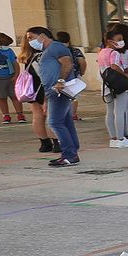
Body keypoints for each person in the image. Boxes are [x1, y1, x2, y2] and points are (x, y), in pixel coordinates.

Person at [25, 27, 79, 166]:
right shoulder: (46, 51)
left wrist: (60, 81)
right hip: (53, 91)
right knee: (65, 122)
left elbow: (67, 63)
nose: (29, 41)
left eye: (31, 37)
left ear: (42, 36)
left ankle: (69, 154)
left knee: (55, 122)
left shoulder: (55, 47)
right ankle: (72, 152)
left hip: (58, 90)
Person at [97, 27, 128, 149]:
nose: (121, 42)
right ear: (110, 41)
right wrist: (125, 75)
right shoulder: (114, 53)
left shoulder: (101, 52)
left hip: (106, 84)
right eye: (118, 39)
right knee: (119, 111)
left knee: (110, 111)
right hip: (117, 84)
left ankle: (113, 138)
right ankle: (121, 138)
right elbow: (114, 66)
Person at [22, 37, 53, 152]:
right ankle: (56, 141)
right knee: (51, 117)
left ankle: (44, 143)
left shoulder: (28, 56)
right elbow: (44, 76)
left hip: (33, 88)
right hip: (44, 87)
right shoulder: (42, 56)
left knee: (38, 116)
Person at [55, 31, 87, 122]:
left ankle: (63, 114)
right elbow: (82, 62)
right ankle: (73, 114)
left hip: (59, 76)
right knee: (74, 97)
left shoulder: (55, 50)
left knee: (60, 97)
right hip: (74, 76)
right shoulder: (75, 51)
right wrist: (81, 72)